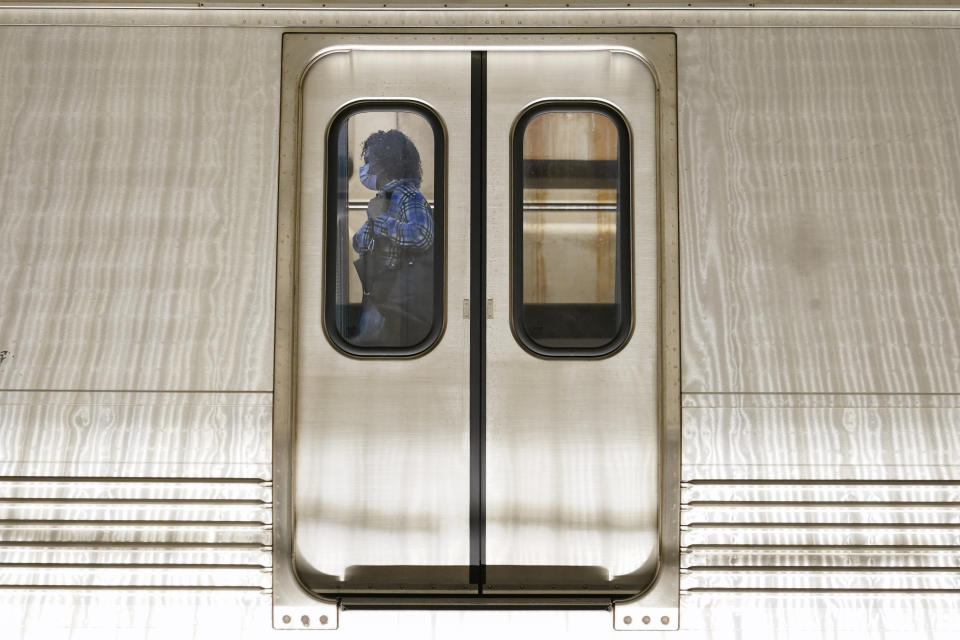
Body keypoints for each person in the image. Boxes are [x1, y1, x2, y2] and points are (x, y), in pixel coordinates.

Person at [351, 129, 435, 347]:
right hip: (381, 293)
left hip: (399, 298)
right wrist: (374, 220)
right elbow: (360, 243)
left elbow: (422, 236)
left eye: (369, 161)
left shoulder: (408, 196)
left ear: (384, 163)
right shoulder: (382, 198)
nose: (365, 168)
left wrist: (380, 220)